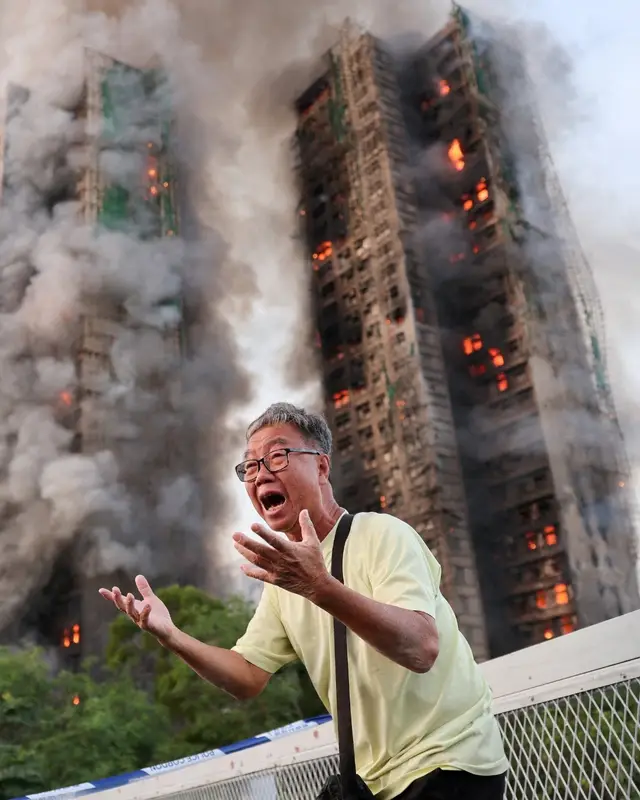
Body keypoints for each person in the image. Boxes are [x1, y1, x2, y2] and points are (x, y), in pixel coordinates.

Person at [100, 402, 508, 800]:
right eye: (250, 466)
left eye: (277, 456)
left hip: (448, 763)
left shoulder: (382, 534)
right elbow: (247, 676)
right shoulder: (284, 581)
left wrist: (319, 587)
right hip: (374, 782)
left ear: (322, 467)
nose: (261, 473)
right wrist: (172, 636)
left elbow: (421, 647)